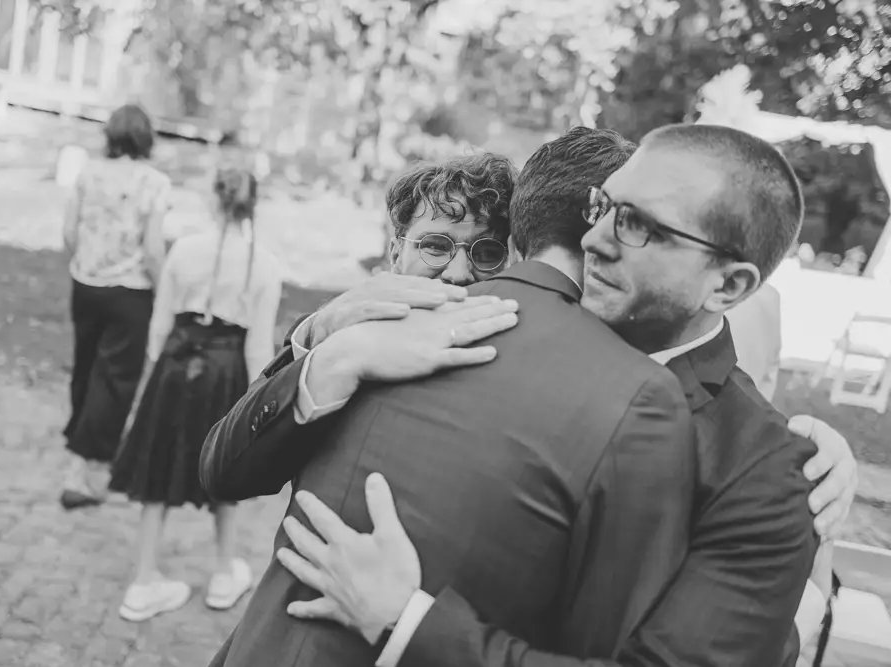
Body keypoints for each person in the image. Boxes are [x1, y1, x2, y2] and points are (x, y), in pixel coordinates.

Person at [203, 126, 858, 667]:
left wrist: (409, 624)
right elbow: (226, 467)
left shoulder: (768, 467)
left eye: (635, 225)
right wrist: (323, 345)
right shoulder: (439, 333)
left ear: (729, 285)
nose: (594, 236)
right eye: (603, 206)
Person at [108, 165, 281, 621]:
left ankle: (144, 580)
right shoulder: (264, 263)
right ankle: (225, 572)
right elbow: (258, 346)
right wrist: (253, 404)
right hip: (225, 374)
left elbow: (160, 323)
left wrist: (154, 373)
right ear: (252, 203)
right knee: (223, 463)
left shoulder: (184, 250)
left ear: (213, 199)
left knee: (157, 460)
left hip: (175, 364)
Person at [61, 104, 170, 510]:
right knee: (116, 381)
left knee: (86, 370)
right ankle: (86, 470)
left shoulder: (88, 172)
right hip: (130, 292)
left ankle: (81, 457)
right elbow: (154, 250)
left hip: (85, 284)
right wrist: (164, 295)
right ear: (145, 138)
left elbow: (69, 231)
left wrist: (85, 262)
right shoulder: (154, 183)